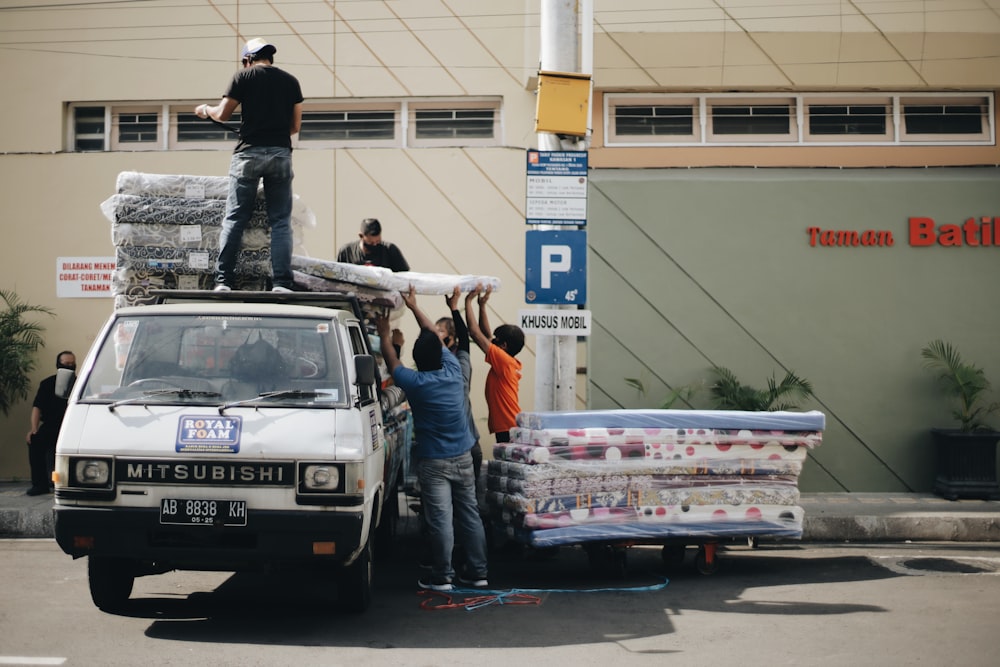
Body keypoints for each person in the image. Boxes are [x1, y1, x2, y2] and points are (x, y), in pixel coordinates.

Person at [376, 287, 487, 592]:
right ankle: (478, 572)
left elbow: (392, 363)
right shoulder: (453, 371)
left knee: (441, 519)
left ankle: (443, 576)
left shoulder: (416, 382)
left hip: (435, 462)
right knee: (469, 514)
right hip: (465, 455)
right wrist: (415, 306)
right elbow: (435, 338)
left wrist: (385, 335)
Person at [195, 37, 304, 293]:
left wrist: (205, 110)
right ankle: (281, 283)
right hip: (280, 155)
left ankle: (223, 281)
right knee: (279, 221)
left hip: (248, 155)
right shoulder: (291, 81)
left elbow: (222, 114)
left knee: (235, 218)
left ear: (248, 60)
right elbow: (295, 127)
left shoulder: (243, 77)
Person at [466, 284, 524, 444]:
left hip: (508, 427)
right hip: (509, 425)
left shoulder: (504, 361)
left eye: (496, 340)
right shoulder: (507, 360)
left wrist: (468, 301)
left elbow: (476, 334)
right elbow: (486, 335)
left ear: (504, 345)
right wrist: (482, 305)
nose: (492, 341)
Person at [436, 287, 482, 491]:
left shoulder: (458, 362)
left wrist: (457, 308)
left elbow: (465, 338)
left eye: (440, 331)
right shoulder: (439, 362)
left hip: (466, 443)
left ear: (451, 336)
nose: (436, 335)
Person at [24, 351, 76, 496]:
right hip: (51, 425)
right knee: (35, 441)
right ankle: (40, 485)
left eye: (72, 364)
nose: (70, 366)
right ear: (58, 364)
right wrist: (33, 429)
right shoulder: (47, 383)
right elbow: (37, 407)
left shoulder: (79, 384)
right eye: (66, 364)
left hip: (72, 427)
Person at [337, 218, 410, 272]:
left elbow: (404, 277)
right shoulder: (346, 252)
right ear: (361, 236)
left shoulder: (390, 250)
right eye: (371, 243)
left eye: (378, 241)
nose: (375, 245)